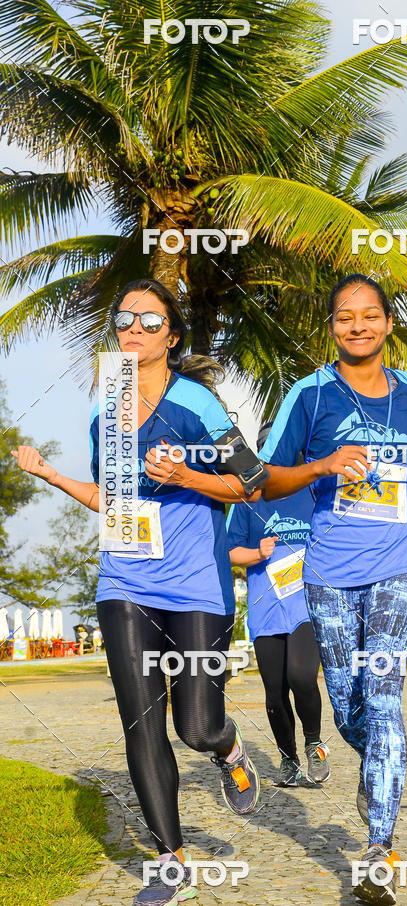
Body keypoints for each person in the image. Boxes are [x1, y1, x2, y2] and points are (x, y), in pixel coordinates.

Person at [12, 278, 262, 906]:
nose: (134, 328)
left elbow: (252, 483)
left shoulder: (197, 402)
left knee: (196, 727)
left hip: (196, 582)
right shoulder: (106, 413)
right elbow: (111, 500)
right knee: (142, 722)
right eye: (125, 318)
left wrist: (186, 476)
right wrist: (50, 475)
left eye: (150, 321)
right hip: (125, 579)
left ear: (172, 337)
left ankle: (227, 746)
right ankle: (170, 861)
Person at [258, 273, 407, 905]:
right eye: (345, 317)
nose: (358, 326)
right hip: (328, 571)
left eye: (369, 315)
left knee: (383, 694)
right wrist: (322, 464)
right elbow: (265, 479)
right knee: (349, 706)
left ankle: (379, 848)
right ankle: (378, 773)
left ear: (388, 324)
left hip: (404, 558)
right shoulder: (310, 395)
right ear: (331, 329)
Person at [227, 422, 329, 787]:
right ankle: (288, 758)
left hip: (306, 605)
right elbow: (229, 551)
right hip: (266, 608)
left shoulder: (313, 490)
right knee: (274, 691)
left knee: (301, 676)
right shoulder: (248, 498)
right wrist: (257, 553)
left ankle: (314, 744)